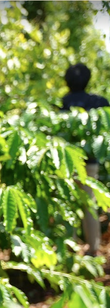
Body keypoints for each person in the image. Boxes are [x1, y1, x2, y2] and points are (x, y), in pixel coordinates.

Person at [61, 63, 110, 256]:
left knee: (70, 203)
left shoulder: (65, 103)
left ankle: (70, 247)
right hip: (90, 161)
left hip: (69, 161)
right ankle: (93, 248)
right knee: (88, 202)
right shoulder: (98, 102)